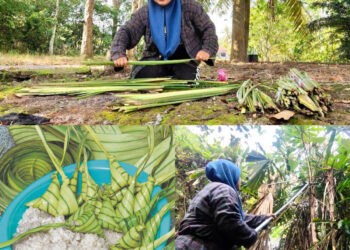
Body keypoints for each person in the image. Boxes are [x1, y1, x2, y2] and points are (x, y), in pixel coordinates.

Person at [176, 159, 276, 250]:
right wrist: (250, 236)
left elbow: (239, 217)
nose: (240, 180)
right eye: (239, 176)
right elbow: (229, 220)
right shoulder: (224, 189)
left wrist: (263, 219)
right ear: (230, 174)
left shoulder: (213, 188)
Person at [110, 0, 218, 80]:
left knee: (187, 79)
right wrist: (118, 53)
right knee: (142, 77)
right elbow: (126, 31)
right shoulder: (144, 12)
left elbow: (208, 29)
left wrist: (206, 49)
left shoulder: (191, 6)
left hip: (184, 60)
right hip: (154, 58)